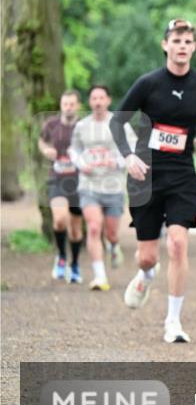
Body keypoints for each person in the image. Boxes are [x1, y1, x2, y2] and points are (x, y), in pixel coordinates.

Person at [110, 18, 196, 343]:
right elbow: (117, 121)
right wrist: (128, 156)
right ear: (165, 45)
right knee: (148, 255)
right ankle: (147, 273)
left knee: (178, 243)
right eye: (176, 40)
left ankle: (173, 322)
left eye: (188, 41)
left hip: (182, 177)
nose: (182, 46)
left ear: (194, 47)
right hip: (145, 177)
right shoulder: (148, 83)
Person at [69, 85, 136, 291]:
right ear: (90, 102)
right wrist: (81, 164)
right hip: (89, 185)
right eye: (94, 98)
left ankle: (114, 246)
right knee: (94, 227)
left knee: (112, 233)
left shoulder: (119, 124)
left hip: (113, 186)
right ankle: (100, 277)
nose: (98, 102)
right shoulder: (81, 126)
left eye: (101, 98)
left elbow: (133, 149)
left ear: (108, 100)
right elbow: (74, 149)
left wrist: (116, 162)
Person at [38, 90, 84, 283]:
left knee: (75, 229)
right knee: (59, 220)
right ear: (60, 105)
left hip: (80, 182)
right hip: (57, 179)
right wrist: (46, 149)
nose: (68, 107)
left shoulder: (85, 126)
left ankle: (74, 265)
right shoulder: (51, 124)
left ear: (78, 106)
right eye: (65, 104)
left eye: (72, 104)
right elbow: (41, 140)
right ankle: (61, 258)